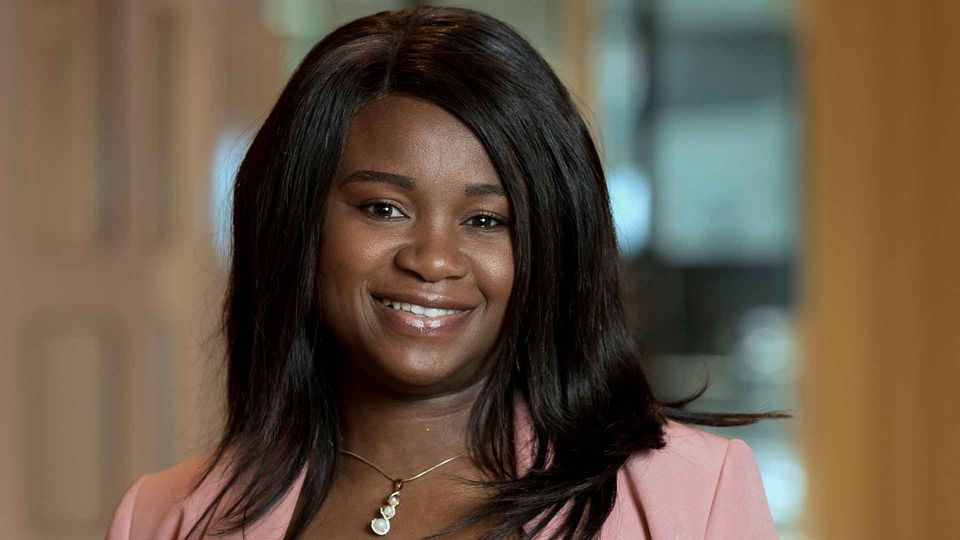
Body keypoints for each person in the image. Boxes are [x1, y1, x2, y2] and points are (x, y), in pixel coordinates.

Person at [107, 5, 781, 539]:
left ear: (549, 247)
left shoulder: (694, 495)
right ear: (300, 221)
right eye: (383, 208)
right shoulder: (165, 518)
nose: (431, 260)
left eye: (487, 221)